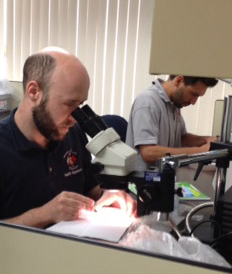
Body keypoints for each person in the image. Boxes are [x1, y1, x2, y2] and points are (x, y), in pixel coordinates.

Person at [0, 48, 133, 228]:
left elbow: (89, 187)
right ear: (34, 92)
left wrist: (108, 194)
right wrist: (44, 215)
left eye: (80, 105)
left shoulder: (73, 134)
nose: (74, 118)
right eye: (70, 104)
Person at [126, 75, 218, 171]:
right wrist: (199, 152)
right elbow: (149, 153)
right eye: (193, 94)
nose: (194, 102)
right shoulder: (148, 102)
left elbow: (181, 138)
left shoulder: (174, 103)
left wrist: (206, 140)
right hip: (143, 181)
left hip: (166, 176)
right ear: (179, 81)